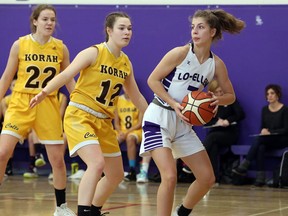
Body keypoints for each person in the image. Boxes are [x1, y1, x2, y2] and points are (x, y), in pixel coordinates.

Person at [30, 11, 148, 216]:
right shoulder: (93, 52)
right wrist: (44, 92)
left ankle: (93, 210)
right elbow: (66, 74)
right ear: (109, 30)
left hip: (104, 122)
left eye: (130, 28)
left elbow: (136, 97)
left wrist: (154, 117)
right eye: (122, 28)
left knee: (116, 175)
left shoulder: (125, 63)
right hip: (80, 115)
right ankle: (83, 212)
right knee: (96, 163)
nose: (127, 32)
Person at [140, 9, 245, 216]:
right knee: (169, 177)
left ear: (212, 32)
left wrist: (217, 99)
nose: (195, 31)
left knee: (207, 178)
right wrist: (173, 102)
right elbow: (152, 80)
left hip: (183, 124)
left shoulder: (216, 64)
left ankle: (182, 212)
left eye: (201, 27)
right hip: (159, 116)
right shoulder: (179, 53)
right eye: (193, 27)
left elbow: (230, 96)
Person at [0, 4, 76, 216]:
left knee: (58, 160)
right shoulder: (20, 44)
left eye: (52, 19)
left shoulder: (61, 48)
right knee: (2, 152)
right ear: (35, 21)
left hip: (48, 104)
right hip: (21, 102)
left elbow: (68, 79)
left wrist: (80, 100)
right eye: (45, 19)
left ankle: (61, 208)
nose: (50, 23)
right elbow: (7, 77)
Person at [232, 84, 288, 187]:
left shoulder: (284, 109)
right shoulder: (265, 109)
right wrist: (263, 130)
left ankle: (244, 165)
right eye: (267, 94)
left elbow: (286, 129)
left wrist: (270, 131)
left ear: (277, 95)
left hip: (281, 139)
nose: (269, 96)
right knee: (260, 147)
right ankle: (260, 178)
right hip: (267, 139)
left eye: (272, 93)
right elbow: (263, 126)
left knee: (259, 140)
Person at [200, 79, 245, 184]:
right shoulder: (209, 103)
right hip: (215, 134)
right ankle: (214, 178)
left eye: (221, 91)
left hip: (230, 134)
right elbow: (205, 121)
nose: (220, 94)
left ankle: (195, 161)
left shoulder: (230, 100)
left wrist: (228, 120)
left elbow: (240, 114)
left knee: (211, 138)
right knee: (213, 148)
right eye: (217, 92)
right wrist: (217, 121)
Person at [114, 89, 151, 183]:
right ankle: (108, 170)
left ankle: (132, 169)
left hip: (136, 130)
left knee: (130, 138)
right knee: (109, 140)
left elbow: (140, 122)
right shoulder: (118, 100)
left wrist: (126, 133)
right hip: (121, 131)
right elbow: (116, 123)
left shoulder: (138, 100)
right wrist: (120, 132)